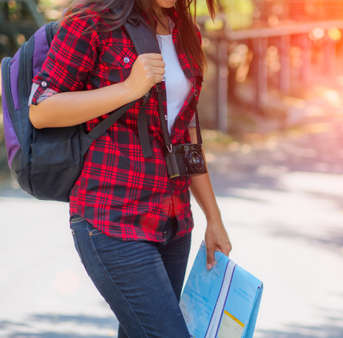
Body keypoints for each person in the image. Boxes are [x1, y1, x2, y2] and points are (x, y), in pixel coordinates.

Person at [28, 0, 232, 336]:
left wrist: (214, 217)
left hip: (174, 222)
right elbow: (42, 108)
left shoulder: (186, 33)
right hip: (111, 219)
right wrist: (128, 89)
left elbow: (186, 133)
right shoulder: (93, 22)